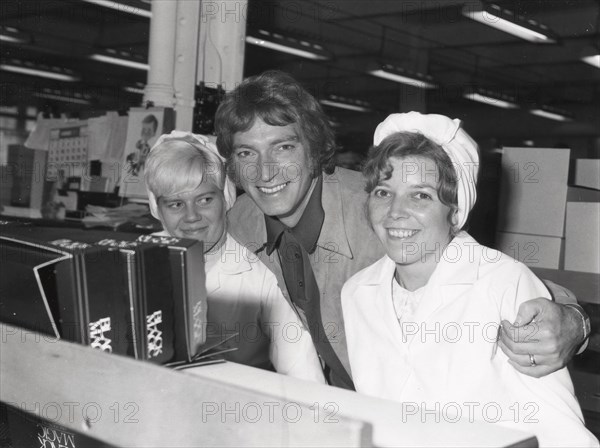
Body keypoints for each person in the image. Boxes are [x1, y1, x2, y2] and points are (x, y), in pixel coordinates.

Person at [215, 70, 589, 389]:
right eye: (247, 153)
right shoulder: (238, 225)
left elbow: (493, 280)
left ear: (313, 149)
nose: (265, 172)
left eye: (282, 147)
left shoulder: (381, 211)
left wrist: (574, 322)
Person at [341, 112, 597, 447]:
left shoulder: (502, 282)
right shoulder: (357, 293)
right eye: (383, 192)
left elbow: (560, 430)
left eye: (420, 195)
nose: (395, 212)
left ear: (455, 208)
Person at [144, 130, 325, 383]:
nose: (191, 216)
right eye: (175, 204)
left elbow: (303, 377)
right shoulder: (135, 264)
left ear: (226, 197)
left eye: (205, 199)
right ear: (157, 209)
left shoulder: (263, 274)